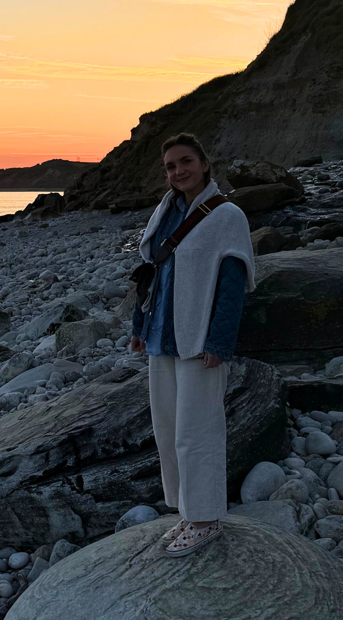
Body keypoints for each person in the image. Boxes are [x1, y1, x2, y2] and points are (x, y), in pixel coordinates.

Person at [131, 132, 255, 557]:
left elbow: (233, 284)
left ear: (204, 163)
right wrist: (138, 326)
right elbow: (150, 273)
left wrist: (219, 341)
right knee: (168, 431)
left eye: (185, 161)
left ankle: (205, 520)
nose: (178, 171)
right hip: (161, 336)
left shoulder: (227, 216)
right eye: (170, 166)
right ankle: (188, 512)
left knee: (197, 432)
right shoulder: (166, 213)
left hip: (199, 339)